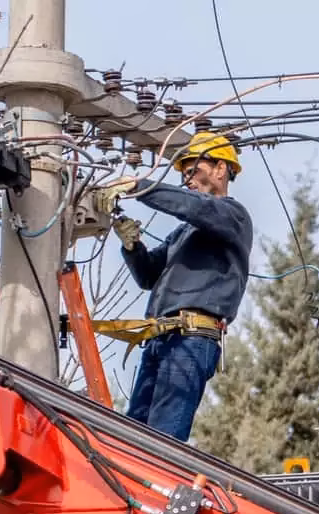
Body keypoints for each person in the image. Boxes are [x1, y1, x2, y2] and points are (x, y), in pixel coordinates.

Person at [92, 132, 254, 442]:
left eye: (193, 170)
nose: (187, 180)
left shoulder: (232, 216)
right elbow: (149, 276)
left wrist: (138, 186)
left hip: (191, 340)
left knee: (162, 441)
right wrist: (132, 246)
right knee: (133, 437)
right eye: (183, 175)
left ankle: (155, 488)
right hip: (161, 338)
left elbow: (196, 207)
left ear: (221, 169)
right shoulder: (185, 232)